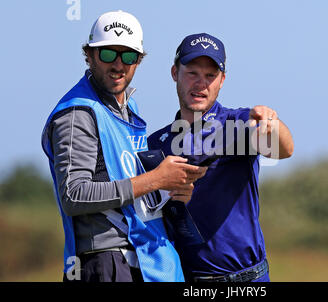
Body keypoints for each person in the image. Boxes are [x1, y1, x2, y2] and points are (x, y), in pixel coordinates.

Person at [41, 11, 206, 282]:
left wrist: (169, 189)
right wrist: (155, 179)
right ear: (90, 55)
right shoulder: (77, 114)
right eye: (108, 54)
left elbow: (131, 187)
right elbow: (74, 195)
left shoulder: (127, 108)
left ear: (138, 61)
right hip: (104, 262)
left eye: (128, 56)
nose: (118, 64)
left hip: (140, 259)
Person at [147, 33, 294, 282]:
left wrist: (272, 122)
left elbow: (284, 149)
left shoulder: (237, 123)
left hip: (248, 279)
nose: (200, 84)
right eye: (192, 72)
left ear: (222, 80)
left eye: (210, 76)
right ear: (175, 73)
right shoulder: (155, 144)